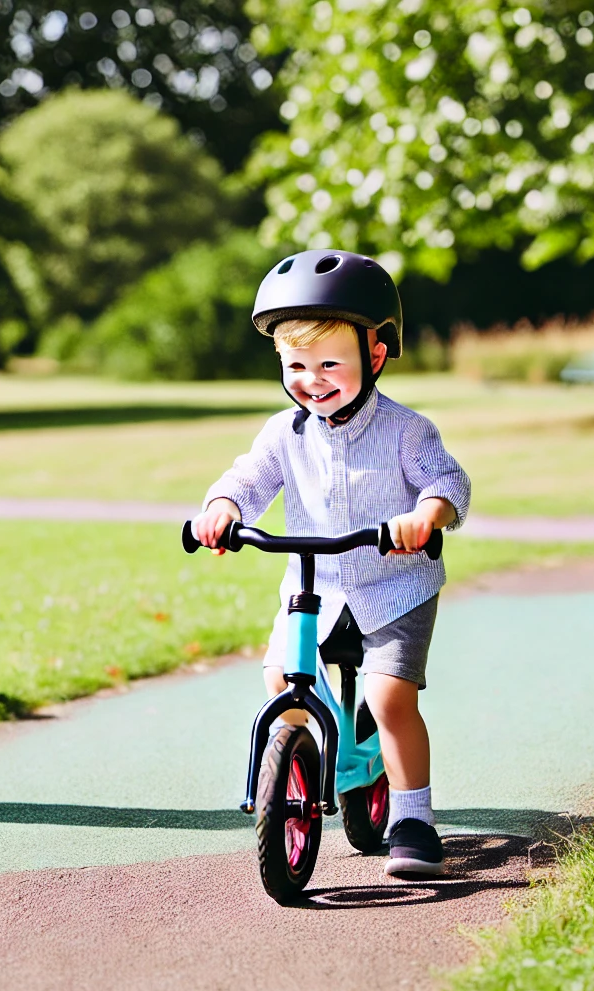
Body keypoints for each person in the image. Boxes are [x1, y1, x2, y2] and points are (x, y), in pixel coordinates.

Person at [191, 250, 470, 877]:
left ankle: (413, 818)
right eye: (295, 364)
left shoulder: (406, 430)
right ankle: (318, 756)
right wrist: (222, 506)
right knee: (281, 685)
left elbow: (449, 483)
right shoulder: (284, 434)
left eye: (329, 363)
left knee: (389, 695)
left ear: (375, 355)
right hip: (314, 586)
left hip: (394, 586)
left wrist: (427, 515)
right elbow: (250, 477)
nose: (311, 378)